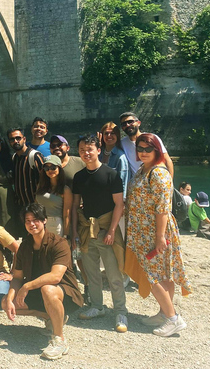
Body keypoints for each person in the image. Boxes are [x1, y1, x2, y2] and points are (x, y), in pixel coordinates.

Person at [124, 133, 191, 336]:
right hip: (142, 231)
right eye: (140, 149)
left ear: (157, 150)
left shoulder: (159, 174)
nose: (143, 152)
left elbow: (162, 209)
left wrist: (160, 237)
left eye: (148, 149)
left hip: (154, 232)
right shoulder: (144, 169)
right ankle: (164, 312)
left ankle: (173, 318)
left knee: (151, 274)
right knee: (163, 274)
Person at [3, 203, 84, 361]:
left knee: (48, 289)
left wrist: (27, 286)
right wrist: (10, 298)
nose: (32, 224)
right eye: (28, 221)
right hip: (37, 292)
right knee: (5, 303)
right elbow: (17, 277)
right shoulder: (24, 247)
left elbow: (55, 277)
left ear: (45, 220)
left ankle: (59, 340)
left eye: (36, 220)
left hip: (64, 293)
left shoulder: (59, 243)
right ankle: (51, 318)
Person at [71, 134, 128, 333]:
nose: (86, 153)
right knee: (91, 272)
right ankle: (97, 306)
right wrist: (75, 232)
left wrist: (112, 231)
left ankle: (120, 311)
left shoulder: (111, 174)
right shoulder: (79, 177)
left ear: (98, 150)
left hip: (106, 229)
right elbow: (75, 205)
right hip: (87, 229)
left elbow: (119, 205)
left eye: (90, 149)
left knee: (113, 274)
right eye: (82, 150)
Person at [8, 127, 44, 238]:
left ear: (24, 138)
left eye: (18, 138)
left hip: (34, 207)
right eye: (12, 139)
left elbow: (44, 181)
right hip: (21, 207)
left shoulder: (35, 156)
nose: (15, 141)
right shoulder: (15, 158)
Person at [119, 112, 174, 179]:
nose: (127, 125)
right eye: (124, 124)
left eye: (130, 122)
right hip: (137, 183)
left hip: (156, 179)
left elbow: (167, 160)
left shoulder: (152, 138)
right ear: (122, 128)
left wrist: (170, 183)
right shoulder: (122, 143)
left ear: (138, 123)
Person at [50, 134, 85, 236]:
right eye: (53, 146)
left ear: (68, 148)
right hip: (56, 214)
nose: (56, 147)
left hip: (77, 212)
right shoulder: (49, 167)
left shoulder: (80, 162)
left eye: (60, 144)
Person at [35, 155, 66, 235]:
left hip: (56, 224)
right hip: (39, 222)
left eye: (53, 167)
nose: (50, 170)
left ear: (59, 167)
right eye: (46, 168)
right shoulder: (40, 186)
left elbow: (67, 215)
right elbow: (36, 205)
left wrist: (66, 234)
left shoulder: (65, 190)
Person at [99, 122, 129, 197]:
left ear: (117, 135)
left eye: (112, 133)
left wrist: (122, 201)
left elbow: (123, 181)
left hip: (114, 198)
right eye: (106, 133)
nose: (109, 136)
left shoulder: (120, 156)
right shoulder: (98, 153)